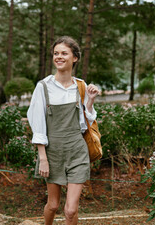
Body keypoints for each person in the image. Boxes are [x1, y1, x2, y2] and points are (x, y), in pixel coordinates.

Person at [27, 36, 99, 225]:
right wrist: (43, 158)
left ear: (74, 58)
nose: (59, 57)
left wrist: (90, 100)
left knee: (70, 210)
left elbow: (86, 122)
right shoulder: (43, 87)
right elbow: (38, 125)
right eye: (56, 53)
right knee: (52, 205)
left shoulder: (81, 86)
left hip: (77, 150)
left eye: (64, 53)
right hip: (52, 153)